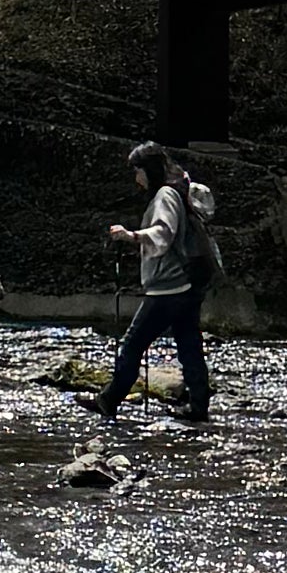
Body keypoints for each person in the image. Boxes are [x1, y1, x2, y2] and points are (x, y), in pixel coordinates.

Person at [103, 140, 218, 424]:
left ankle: (108, 400)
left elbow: (163, 233)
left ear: (149, 169)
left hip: (167, 288)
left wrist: (131, 236)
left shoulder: (165, 195)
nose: (136, 178)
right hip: (186, 286)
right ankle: (198, 407)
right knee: (189, 346)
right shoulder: (174, 191)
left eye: (137, 171)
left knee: (132, 344)